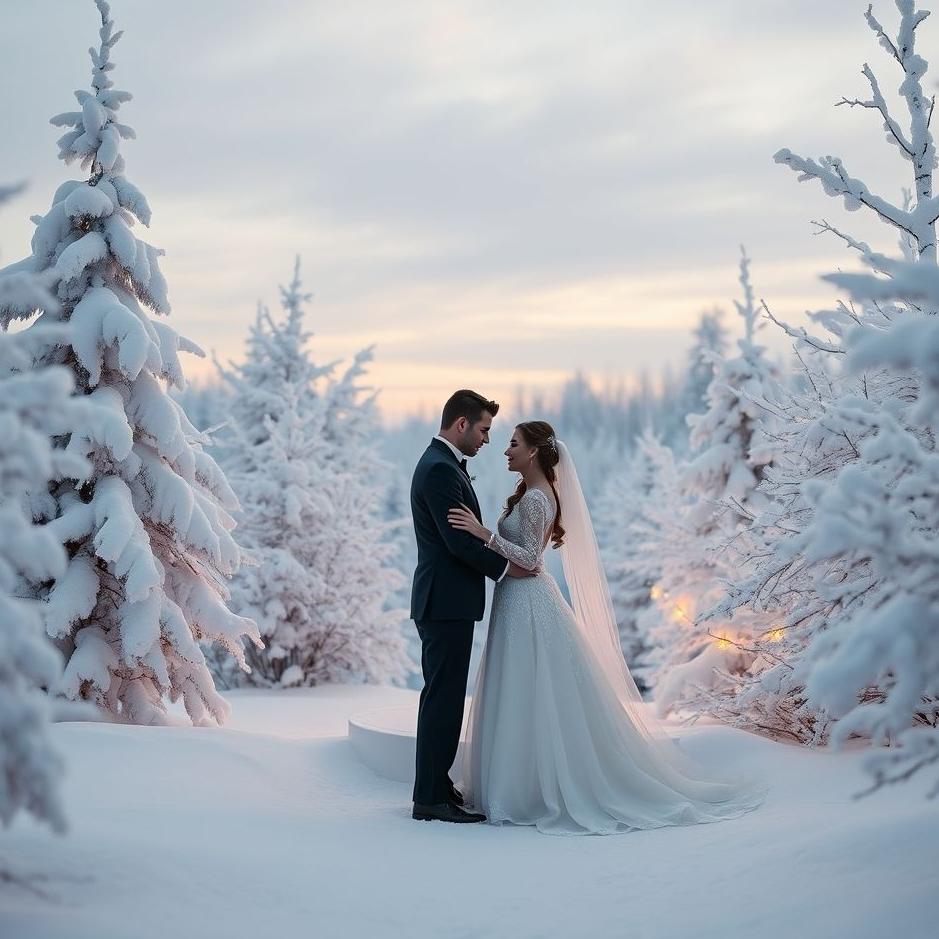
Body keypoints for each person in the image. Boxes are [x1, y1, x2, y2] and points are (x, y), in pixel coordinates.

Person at [448, 420, 768, 835]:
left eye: (513, 444)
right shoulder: (531, 495)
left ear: (532, 452)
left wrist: (483, 534)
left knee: (532, 689)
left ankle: (528, 788)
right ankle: (518, 783)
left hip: (528, 602)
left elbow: (529, 559)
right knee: (522, 690)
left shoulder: (536, 501)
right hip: (517, 600)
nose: (505, 450)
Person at [409, 390, 536, 823]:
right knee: (442, 700)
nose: (486, 440)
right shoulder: (440, 470)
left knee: (441, 698)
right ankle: (430, 800)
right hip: (444, 603)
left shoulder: (441, 465)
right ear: (461, 424)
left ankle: (436, 785)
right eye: (483, 429)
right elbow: (457, 541)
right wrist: (506, 568)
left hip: (445, 602)